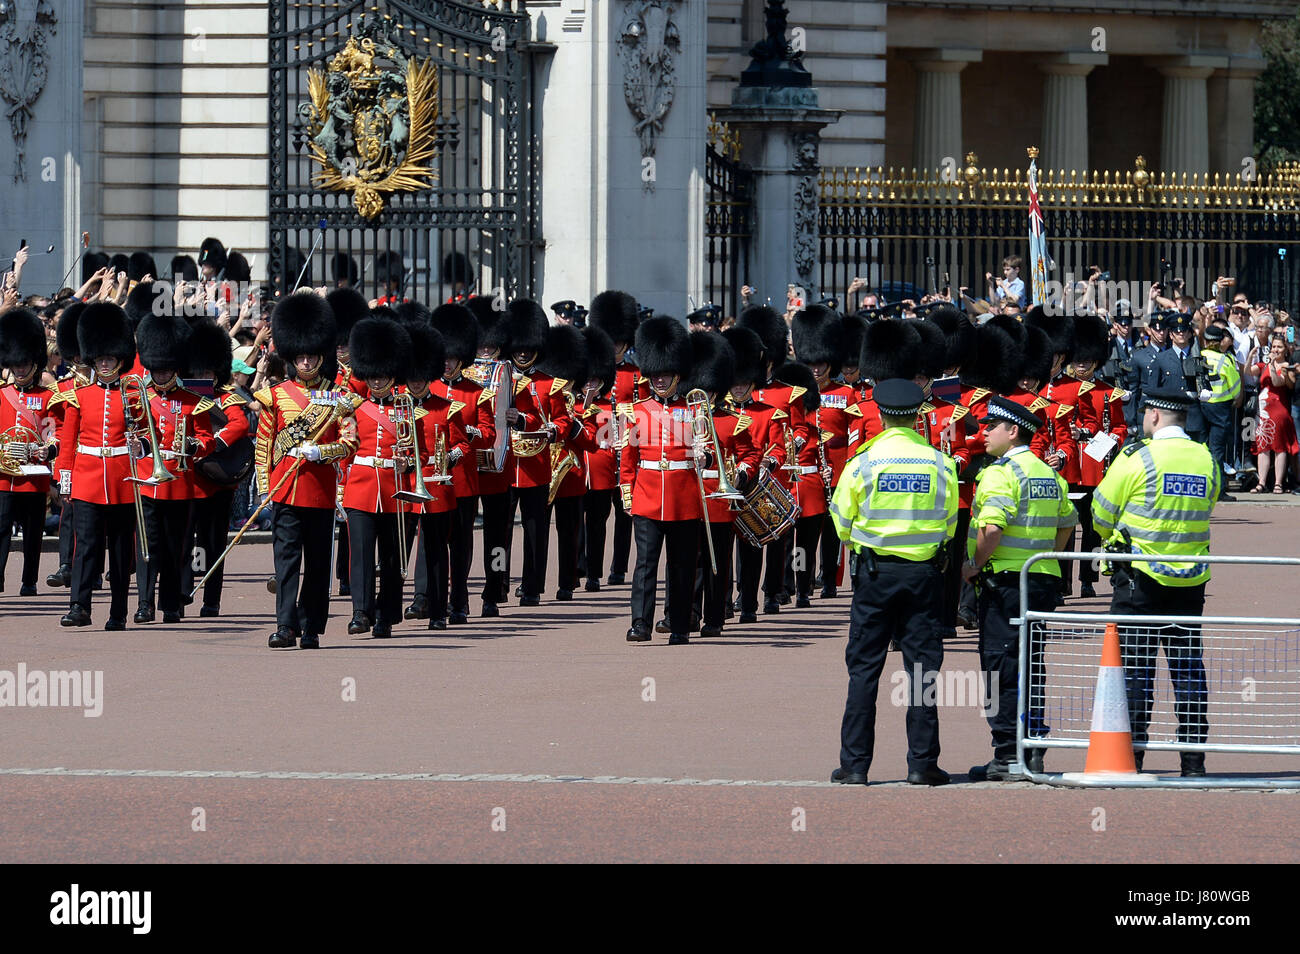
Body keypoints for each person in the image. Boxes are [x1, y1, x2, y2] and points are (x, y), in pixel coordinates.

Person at [829, 378, 958, 786]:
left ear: (881, 415)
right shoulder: (940, 462)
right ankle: (922, 764)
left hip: (875, 574)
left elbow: (841, 522)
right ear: (918, 415)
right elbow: (950, 524)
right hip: (923, 575)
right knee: (922, 671)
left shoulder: (864, 462)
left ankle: (854, 766)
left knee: (864, 669)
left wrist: (866, 539)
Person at [1092, 386, 1218, 776]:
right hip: (1190, 582)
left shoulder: (1138, 457)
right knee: (1188, 671)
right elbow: (1210, 502)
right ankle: (1193, 760)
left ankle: (1131, 756)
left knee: (1133, 672)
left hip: (1139, 582)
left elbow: (1101, 511)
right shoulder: (1205, 458)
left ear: (1155, 416)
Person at [963, 396, 1078, 780]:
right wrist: (1047, 557)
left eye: (991, 426)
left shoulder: (1000, 473)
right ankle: (1031, 750)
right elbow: (1068, 522)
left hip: (1006, 585)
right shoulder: (1048, 474)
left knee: (1000, 667)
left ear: (1012, 432)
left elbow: (992, 529)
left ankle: (1008, 754)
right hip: (1041, 581)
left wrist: (974, 566)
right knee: (1031, 666)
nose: (984, 432)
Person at [254, 292, 361, 650]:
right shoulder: (276, 396)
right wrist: (266, 491)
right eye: (299, 356)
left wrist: (320, 451)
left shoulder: (339, 397)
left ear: (320, 355)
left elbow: (350, 443)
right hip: (285, 492)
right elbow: (264, 446)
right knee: (286, 563)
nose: (305, 361)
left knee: (317, 565)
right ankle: (285, 625)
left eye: (311, 355)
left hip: (320, 491)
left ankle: (311, 625)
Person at [55, 302, 140, 630]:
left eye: (110, 358)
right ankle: (79, 605)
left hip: (122, 480)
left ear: (120, 359)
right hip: (87, 478)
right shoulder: (79, 396)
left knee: (120, 551)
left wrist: (141, 446)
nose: (105, 363)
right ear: (93, 358)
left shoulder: (134, 396)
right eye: (101, 358)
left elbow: (147, 438)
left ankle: (118, 611)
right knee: (86, 545)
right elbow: (68, 443)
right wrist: (65, 481)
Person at [620, 316, 701, 645]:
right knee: (645, 565)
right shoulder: (637, 411)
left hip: (684, 497)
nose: (659, 380)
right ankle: (641, 623)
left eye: (665, 375)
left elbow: (706, 451)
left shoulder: (694, 410)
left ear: (677, 375)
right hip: (648, 495)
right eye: (655, 375)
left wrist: (704, 455)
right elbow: (628, 460)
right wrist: (628, 493)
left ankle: (679, 624)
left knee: (681, 566)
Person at [131, 312, 215, 624]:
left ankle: (170, 604)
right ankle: (143, 603)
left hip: (180, 481)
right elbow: (134, 434)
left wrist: (193, 445)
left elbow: (207, 438)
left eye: (166, 368)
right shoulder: (139, 395)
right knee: (146, 546)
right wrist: (137, 444)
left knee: (174, 547)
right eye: (157, 368)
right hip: (147, 479)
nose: (161, 373)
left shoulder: (195, 396)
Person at [341, 316, 413, 638]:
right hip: (360, 487)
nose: (378, 381)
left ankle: (386, 614)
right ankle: (361, 612)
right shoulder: (356, 407)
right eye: (372, 375)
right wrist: (340, 487)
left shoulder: (407, 408)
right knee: (361, 555)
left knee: (391, 555)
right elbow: (345, 448)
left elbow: (419, 451)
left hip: (396, 488)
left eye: (382, 374)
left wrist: (407, 463)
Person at [0, 308, 58, 596]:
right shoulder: (1, 394)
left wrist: (42, 449)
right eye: (16, 365)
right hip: (3, 476)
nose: (20, 369)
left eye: (25, 364)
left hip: (33, 477)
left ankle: (29, 580)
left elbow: (51, 434)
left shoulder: (47, 397)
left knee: (33, 534)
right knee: (0, 530)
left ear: (34, 364)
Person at [588, 290, 643, 587]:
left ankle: (618, 568)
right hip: (599, 450)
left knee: (625, 513)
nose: (616, 348)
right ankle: (593, 571)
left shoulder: (637, 374)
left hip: (627, 448)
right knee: (595, 515)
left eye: (620, 343)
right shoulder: (591, 372)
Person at [1148, 312, 1207, 443]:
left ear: (1190, 333)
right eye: (1177, 331)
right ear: (1171, 334)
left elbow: (1205, 383)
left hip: (1193, 417)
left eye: (1184, 331)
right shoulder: (1161, 359)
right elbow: (1153, 390)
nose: (1181, 334)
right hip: (1169, 418)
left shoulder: (1198, 358)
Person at [1249, 334, 1297, 493]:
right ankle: (1261, 482)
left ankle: (1278, 483)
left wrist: (1271, 364)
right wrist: (1250, 356)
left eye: (1279, 347)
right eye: (1274, 346)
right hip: (1263, 411)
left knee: (1279, 447)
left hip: (1278, 410)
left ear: (1285, 350)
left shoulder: (1286, 366)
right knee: (1263, 447)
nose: (1276, 349)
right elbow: (1248, 371)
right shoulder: (1264, 364)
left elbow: (1277, 382)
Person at [1199, 323, 1241, 500]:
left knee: (1200, 448)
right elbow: (1236, 386)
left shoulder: (1198, 357)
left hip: (1200, 407)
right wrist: (1231, 398)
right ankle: (1218, 490)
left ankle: (1200, 487)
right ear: (1219, 342)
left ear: (1206, 341)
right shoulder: (1226, 360)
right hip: (1221, 409)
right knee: (1217, 451)